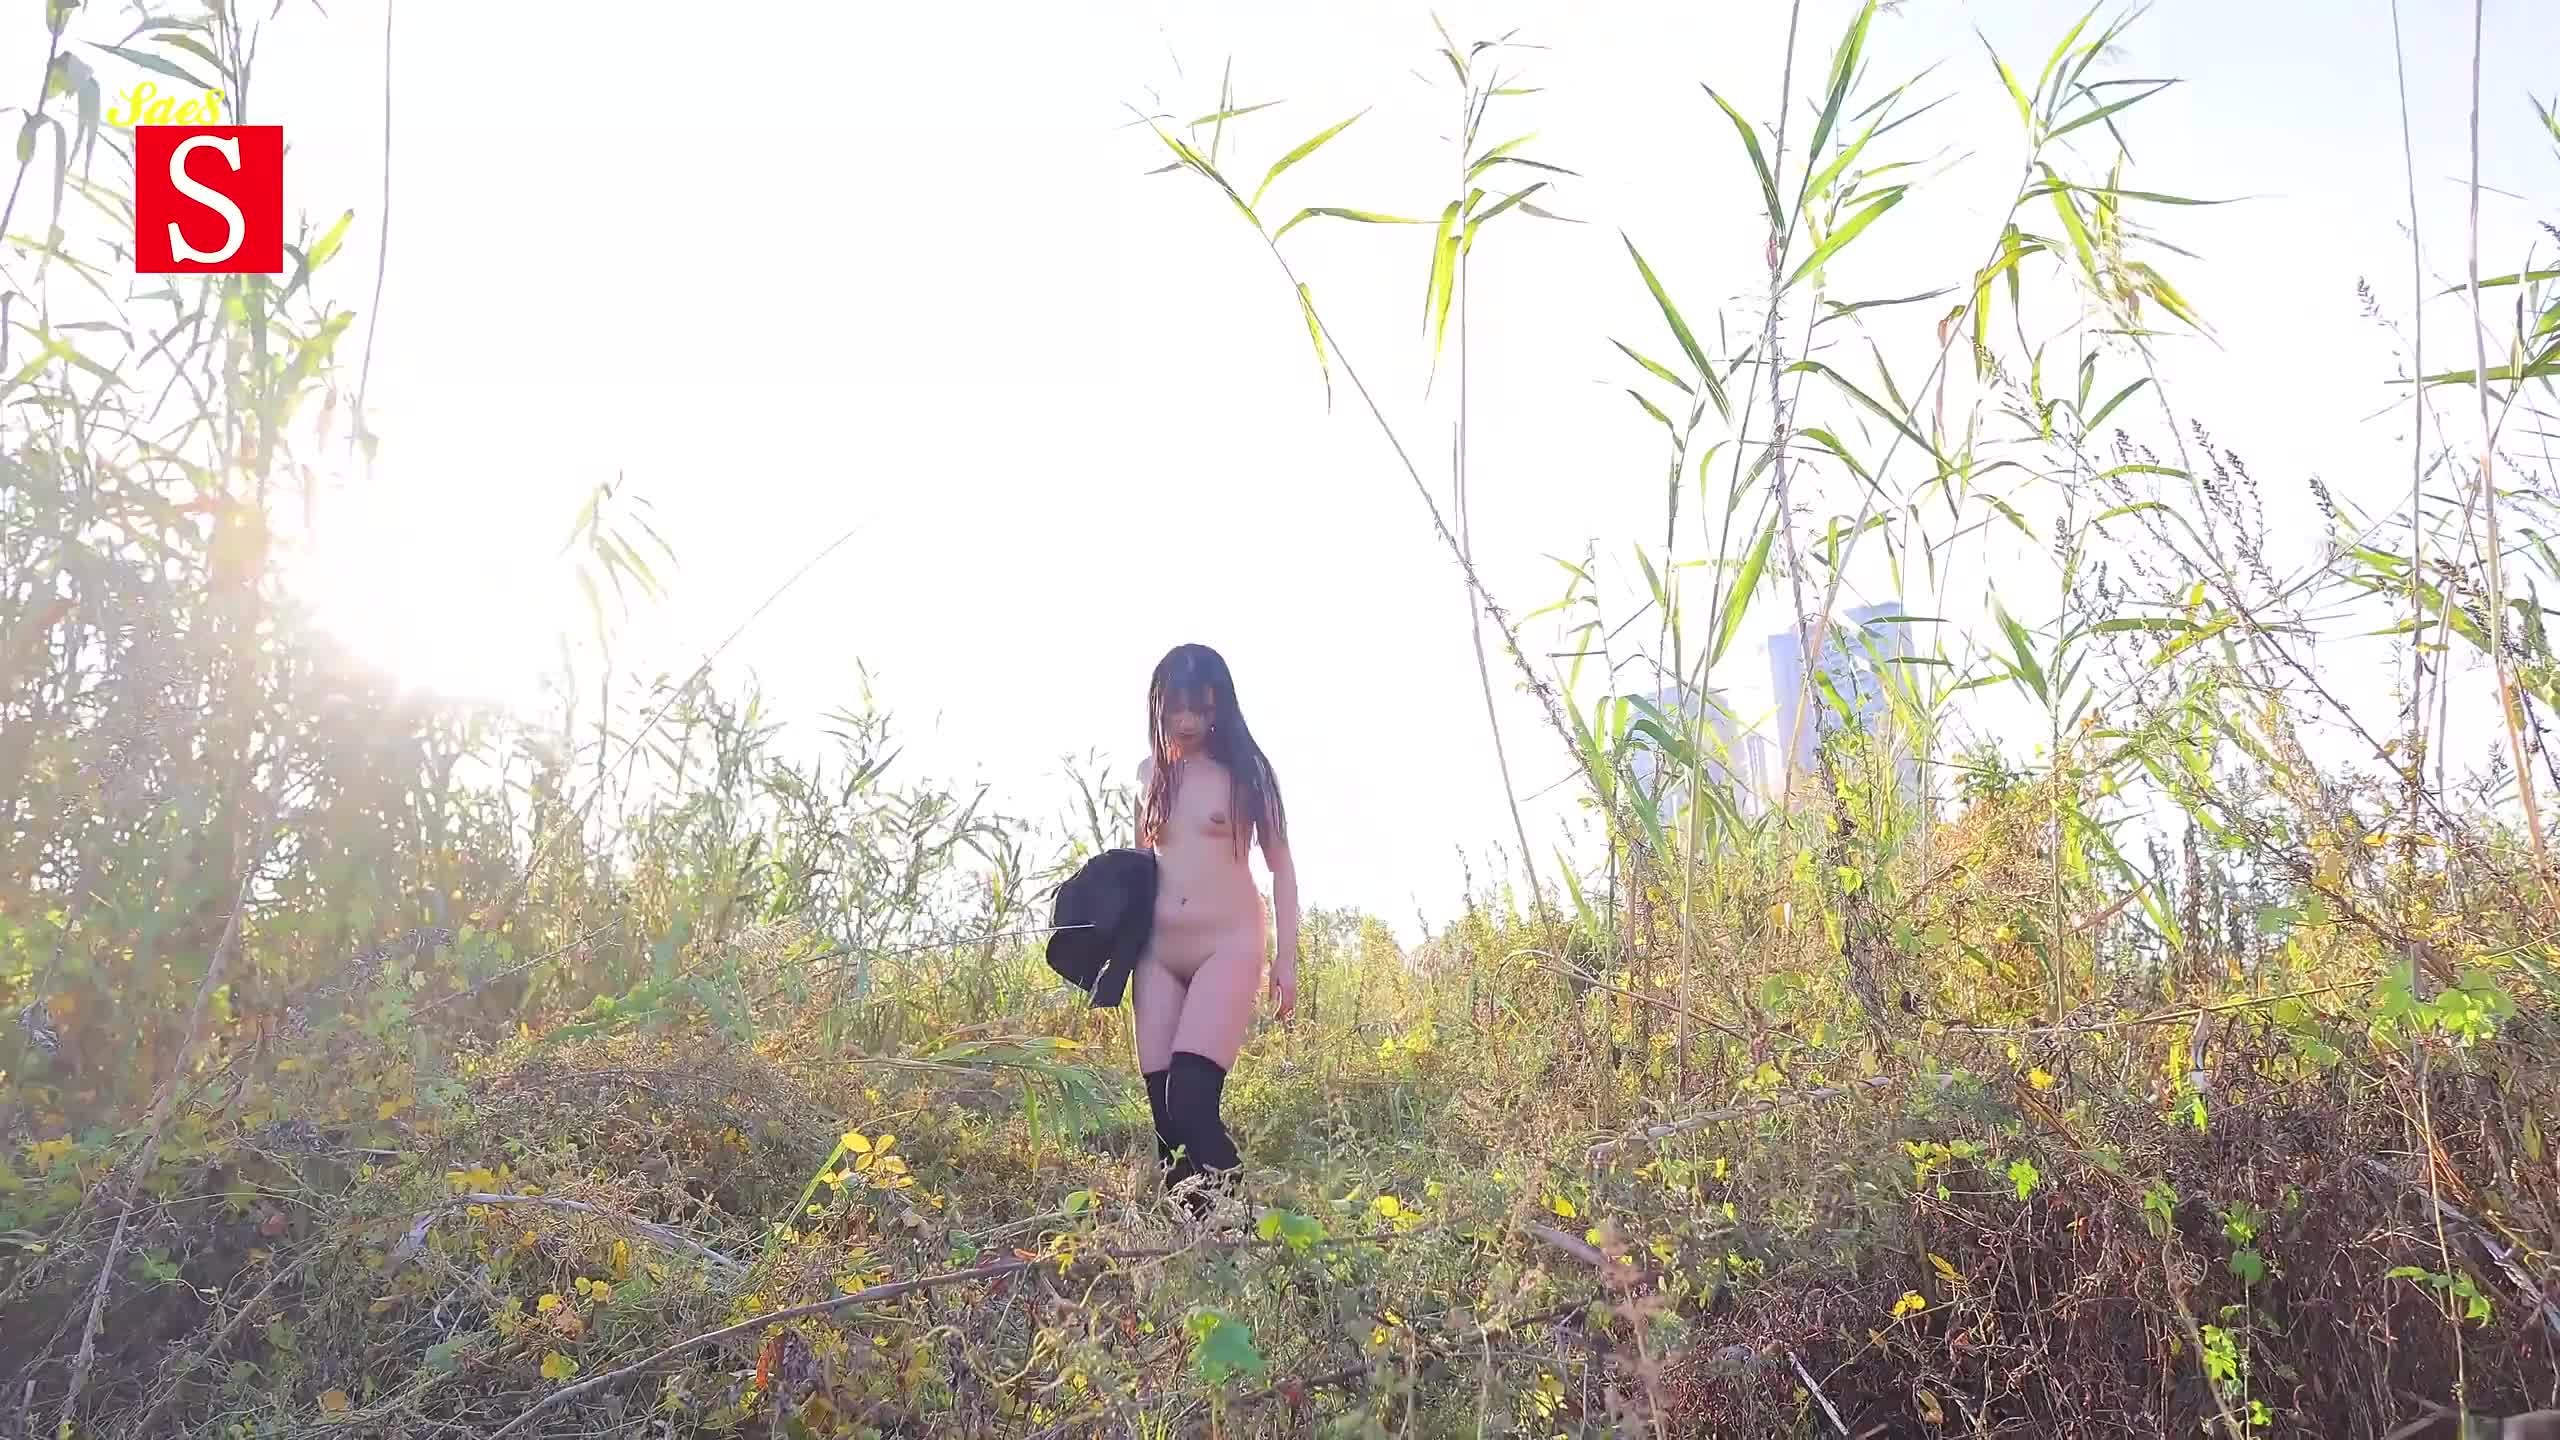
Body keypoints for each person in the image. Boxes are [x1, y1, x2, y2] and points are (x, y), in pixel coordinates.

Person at [1130, 643, 1297, 1217]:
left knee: (1192, 1100)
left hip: (1227, 946)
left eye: (1200, 708)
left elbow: (1282, 868)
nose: (1187, 721)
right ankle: (1193, 1241)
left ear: (1220, 706)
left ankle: (1240, 1230)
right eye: (1176, 707)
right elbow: (1140, 865)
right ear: (1159, 705)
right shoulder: (1148, 775)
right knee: (1165, 1117)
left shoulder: (1247, 774)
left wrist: (1286, 960)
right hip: (1156, 953)